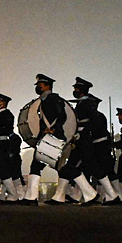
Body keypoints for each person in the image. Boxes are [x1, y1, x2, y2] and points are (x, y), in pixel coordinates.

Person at [48, 79, 101, 205]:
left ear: (82, 90)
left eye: (77, 89)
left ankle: (92, 194)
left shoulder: (89, 103)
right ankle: (59, 196)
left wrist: (80, 133)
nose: (74, 91)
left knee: (85, 167)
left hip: (84, 140)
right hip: (78, 139)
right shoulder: (81, 103)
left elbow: (93, 121)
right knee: (67, 167)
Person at [19, 74, 67, 205]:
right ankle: (32, 197)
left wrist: (54, 129)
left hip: (53, 137)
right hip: (47, 137)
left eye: (40, 85)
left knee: (57, 167)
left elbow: (62, 117)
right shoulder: (44, 100)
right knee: (39, 165)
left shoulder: (54, 99)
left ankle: (32, 197)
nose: (38, 87)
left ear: (47, 86)